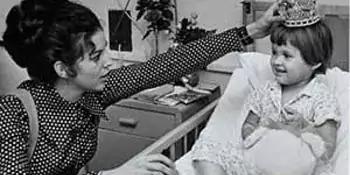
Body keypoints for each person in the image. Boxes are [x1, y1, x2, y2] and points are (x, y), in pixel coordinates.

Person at [0, 0, 285, 174]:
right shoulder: (13, 113)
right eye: (97, 56)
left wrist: (252, 30)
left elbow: (168, 64)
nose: (110, 62)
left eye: (106, 50)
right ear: (63, 69)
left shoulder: (94, 92)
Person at [192, 0, 340, 175]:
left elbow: (327, 148)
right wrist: (255, 132)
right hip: (259, 161)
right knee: (206, 149)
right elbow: (248, 125)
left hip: (295, 165)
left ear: (315, 61)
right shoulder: (265, 92)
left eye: (287, 55)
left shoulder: (320, 97)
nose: (277, 61)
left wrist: (304, 127)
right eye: (274, 53)